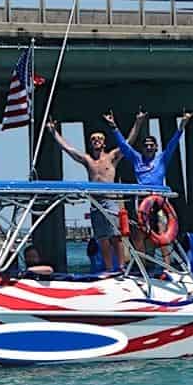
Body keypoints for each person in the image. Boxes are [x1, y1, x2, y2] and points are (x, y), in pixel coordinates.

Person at [48, 110, 144, 272]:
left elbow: (128, 143)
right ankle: (108, 269)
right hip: (95, 203)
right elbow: (69, 149)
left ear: (104, 143)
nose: (96, 141)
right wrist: (53, 132)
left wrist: (138, 122)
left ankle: (120, 267)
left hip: (110, 201)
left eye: (99, 139)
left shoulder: (112, 157)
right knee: (102, 239)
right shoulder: (88, 160)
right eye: (93, 139)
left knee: (116, 236)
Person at [110, 110, 193, 254]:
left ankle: (167, 268)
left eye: (151, 145)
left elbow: (173, 143)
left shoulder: (161, 159)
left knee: (162, 231)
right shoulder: (136, 159)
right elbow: (124, 146)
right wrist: (114, 127)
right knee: (140, 233)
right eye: (146, 145)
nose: (148, 147)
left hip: (160, 201)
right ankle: (143, 265)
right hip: (142, 201)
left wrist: (182, 125)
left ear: (156, 148)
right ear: (142, 148)